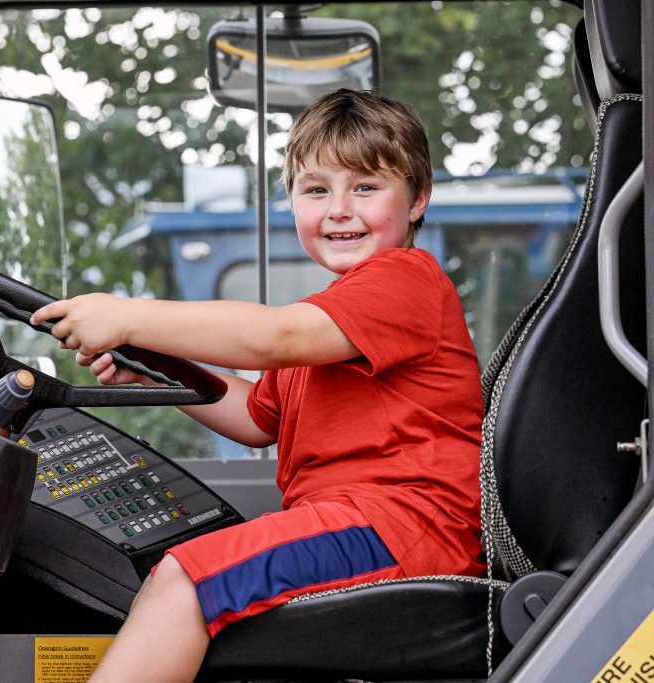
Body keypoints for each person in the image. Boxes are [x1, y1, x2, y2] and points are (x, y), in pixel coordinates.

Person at [30, 88, 485, 683]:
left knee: (184, 578)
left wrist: (129, 314)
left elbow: (276, 338)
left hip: (405, 527)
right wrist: (157, 368)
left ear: (418, 199)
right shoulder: (332, 316)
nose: (339, 210)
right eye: (316, 189)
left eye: (366, 188)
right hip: (368, 523)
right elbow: (257, 420)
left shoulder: (404, 280)